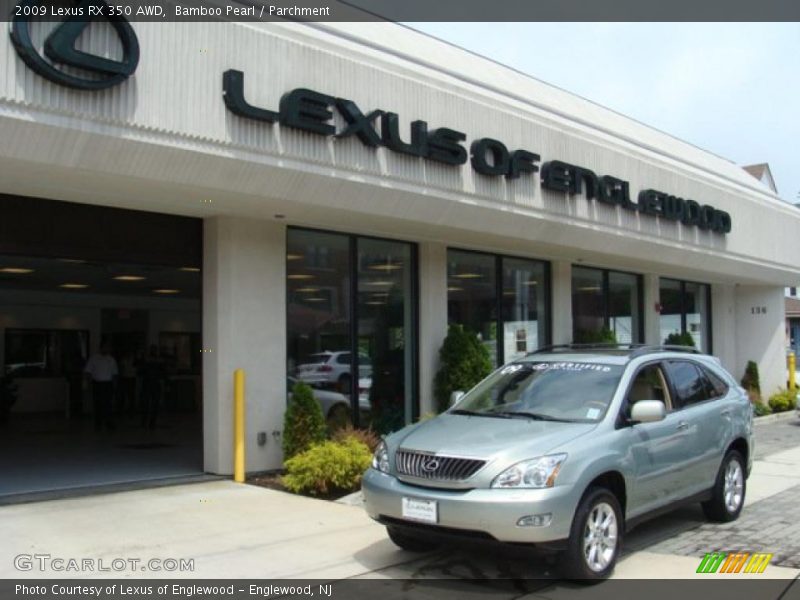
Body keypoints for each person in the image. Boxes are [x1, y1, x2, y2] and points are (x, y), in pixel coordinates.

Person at [84, 343, 118, 431]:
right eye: (105, 347)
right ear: (101, 348)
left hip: (108, 384)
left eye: (108, 348)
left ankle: (108, 423)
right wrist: (89, 384)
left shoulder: (111, 359)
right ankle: (98, 423)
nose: (106, 349)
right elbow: (88, 372)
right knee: (97, 404)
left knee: (108, 404)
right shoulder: (94, 358)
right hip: (97, 384)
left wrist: (114, 386)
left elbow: (114, 374)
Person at [139, 345, 165, 430]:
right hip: (148, 384)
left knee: (154, 404)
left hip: (154, 384)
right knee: (146, 404)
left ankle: (150, 422)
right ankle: (146, 421)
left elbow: (162, 372)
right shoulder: (149, 361)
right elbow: (141, 371)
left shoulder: (157, 361)